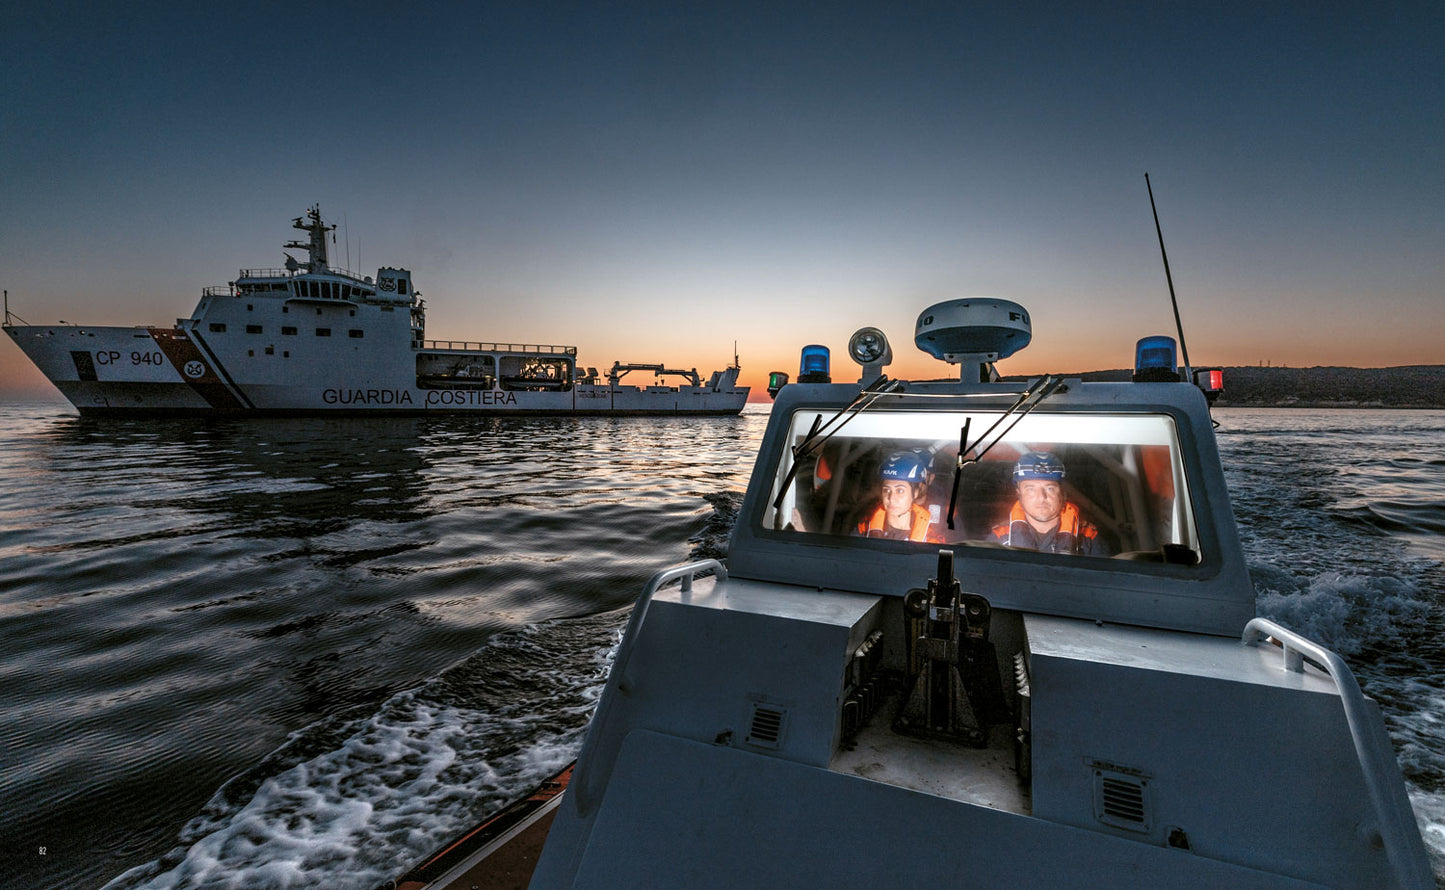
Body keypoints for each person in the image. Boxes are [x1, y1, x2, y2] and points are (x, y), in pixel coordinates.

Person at [991, 451, 1108, 556]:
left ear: (1063, 493)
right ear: (1019, 494)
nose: (1041, 497)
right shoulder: (1000, 536)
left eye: (1050, 488)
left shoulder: (1088, 537)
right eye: (1031, 489)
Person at [856, 451, 946, 543]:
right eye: (886, 490)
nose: (891, 498)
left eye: (900, 490)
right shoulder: (864, 528)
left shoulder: (931, 539)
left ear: (915, 493)